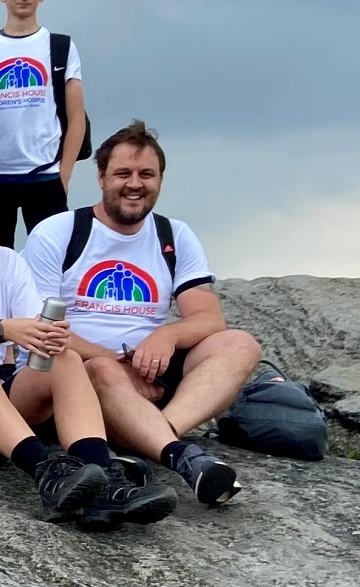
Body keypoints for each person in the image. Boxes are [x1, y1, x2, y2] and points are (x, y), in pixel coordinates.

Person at [0, 161, 178, 528]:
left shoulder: (8, 261)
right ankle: (45, 471)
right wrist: (1, 330)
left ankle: (105, 480)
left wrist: (50, 336)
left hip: (1, 396)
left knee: (65, 358)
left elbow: (35, 336)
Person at [23, 121, 263, 506]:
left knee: (239, 343)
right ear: (101, 177)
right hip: (81, 375)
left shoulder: (174, 235)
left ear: (160, 180)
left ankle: (158, 435)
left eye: (146, 174)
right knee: (100, 370)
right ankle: (180, 455)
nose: (135, 183)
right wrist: (115, 361)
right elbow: (41, 327)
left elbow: (207, 319)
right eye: (123, 173)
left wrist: (165, 336)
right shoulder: (60, 232)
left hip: (148, 376)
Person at [0, 0, 88, 248]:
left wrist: (65, 173)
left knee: (54, 256)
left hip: (45, 174)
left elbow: (76, 117)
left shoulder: (60, 47)